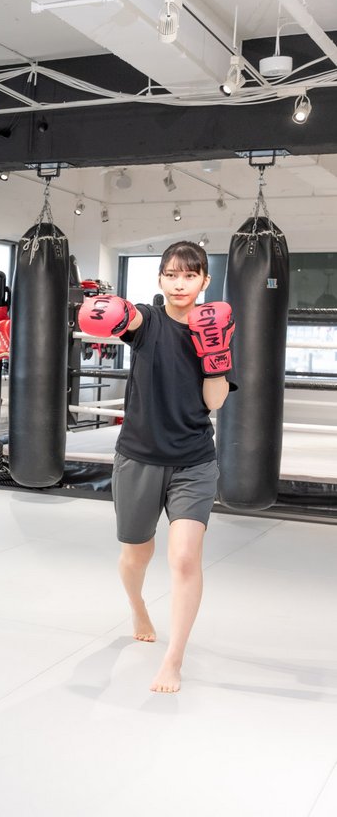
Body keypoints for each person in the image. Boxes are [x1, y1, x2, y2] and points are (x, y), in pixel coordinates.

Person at [78, 240, 235, 693]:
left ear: (205, 280)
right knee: (136, 555)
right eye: (171, 274)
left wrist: (215, 357)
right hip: (139, 457)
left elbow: (215, 402)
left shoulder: (217, 327)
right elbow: (126, 318)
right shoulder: (148, 321)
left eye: (189, 275)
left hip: (193, 461)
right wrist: (111, 308)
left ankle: (173, 659)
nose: (179, 283)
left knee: (184, 559)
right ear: (160, 279)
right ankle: (138, 607)